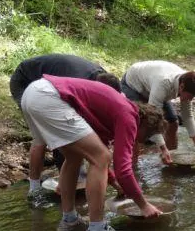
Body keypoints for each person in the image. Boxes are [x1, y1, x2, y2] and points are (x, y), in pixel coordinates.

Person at [21, 75, 165, 231]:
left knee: (74, 157)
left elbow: (97, 157)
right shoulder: (130, 116)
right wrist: (143, 205)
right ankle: (97, 226)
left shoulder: (116, 111)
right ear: (145, 124)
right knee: (101, 156)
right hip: (50, 97)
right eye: (147, 135)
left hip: (33, 93)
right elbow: (121, 168)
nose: (142, 140)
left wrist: (116, 183)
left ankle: (70, 220)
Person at [9, 54, 121, 199]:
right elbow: (67, 131)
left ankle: (66, 185)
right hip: (26, 81)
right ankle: (35, 191)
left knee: (69, 135)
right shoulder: (79, 82)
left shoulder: (104, 79)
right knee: (42, 139)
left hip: (44, 87)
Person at [121, 60, 195, 160]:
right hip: (133, 84)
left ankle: (172, 159)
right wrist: (163, 148)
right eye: (190, 96)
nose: (190, 99)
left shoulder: (187, 83)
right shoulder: (164, 83)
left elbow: (187, 114)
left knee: (173, 123)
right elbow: (152, 120)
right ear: (182, 87)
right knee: (136, 126)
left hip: (152, 88)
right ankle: (132, 167)